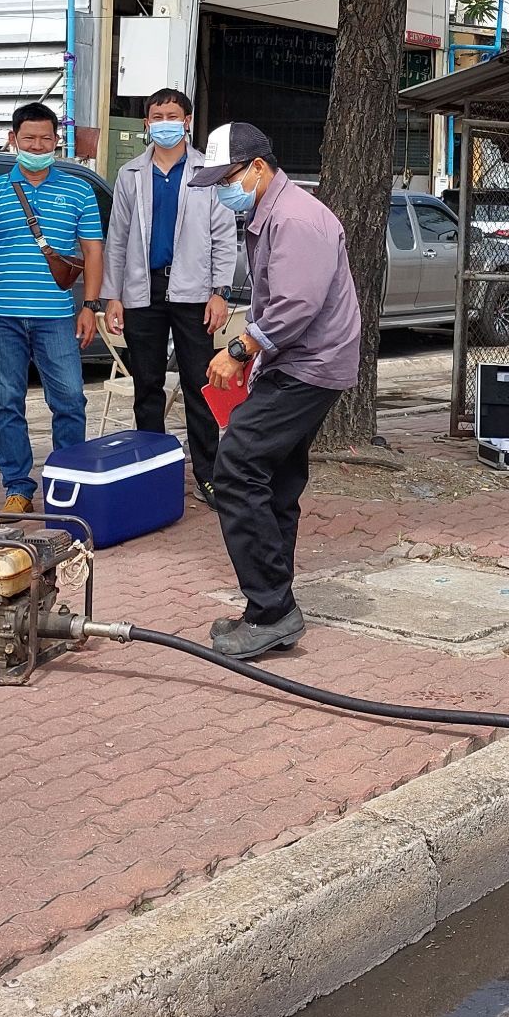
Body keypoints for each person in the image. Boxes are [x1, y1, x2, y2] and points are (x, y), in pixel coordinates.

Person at [194, 122, 360, 660]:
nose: (224, 190)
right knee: (276, 478)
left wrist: (240, 349)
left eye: (229, 178)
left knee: (237, 466)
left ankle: (271, 609)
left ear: (259, 168)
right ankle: (271, 607)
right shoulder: (270, 213)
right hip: (299, 362)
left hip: (308, 365)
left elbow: (295, 306)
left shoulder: (295, 219)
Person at [0, 102, 104, 518]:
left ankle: (68, 479)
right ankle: (18, 486)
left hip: (58, 316)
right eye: (29, 138)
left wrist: (90, 306)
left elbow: (93, 252)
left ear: (56, 141)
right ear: (14, 140)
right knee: (6, 402)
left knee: (70, 399)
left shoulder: (78, 190)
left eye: (46, 138)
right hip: (0, 316)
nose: (38, 145)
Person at [103, 88, 236, 499]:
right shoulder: (130, 175)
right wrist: (113, 295)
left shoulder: (206, 171)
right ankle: (151, 472)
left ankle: (208, 474)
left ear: (187, 121)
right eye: (156, 115)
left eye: (172, 115)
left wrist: (220, 292)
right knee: (148, 384)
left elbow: (223, 235)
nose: (164, 122)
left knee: (200, 384)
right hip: (143, 290)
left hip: (194, 290)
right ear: (146, 123)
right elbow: (118, 239)